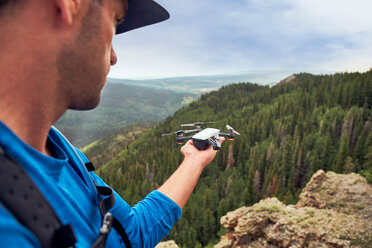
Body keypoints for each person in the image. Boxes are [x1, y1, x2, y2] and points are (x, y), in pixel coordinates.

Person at [0, 0, 224, 247]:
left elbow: (132, 235)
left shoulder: (57, 146)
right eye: (115, 20)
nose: (115, 57)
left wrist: (194, 161)